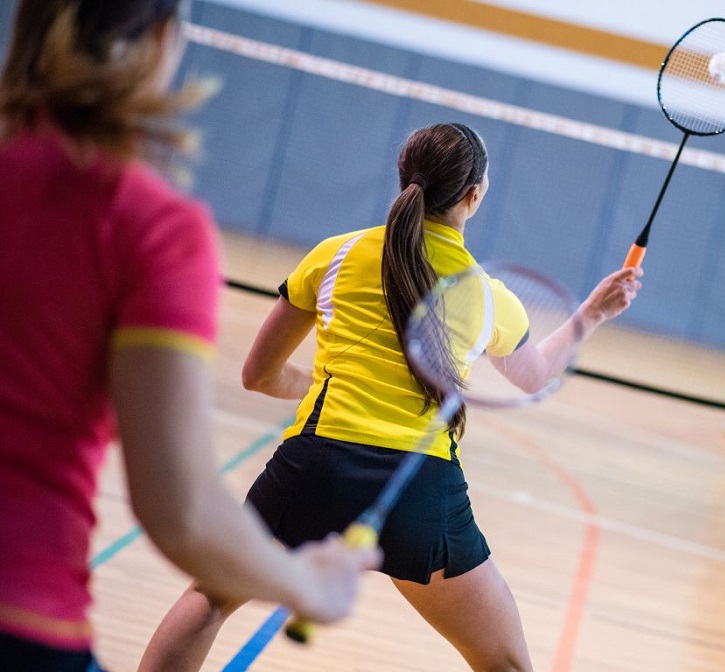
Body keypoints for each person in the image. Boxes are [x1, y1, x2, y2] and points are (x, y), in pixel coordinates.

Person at [137, 121, 642, 672]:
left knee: (209, 600)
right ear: (473, 196)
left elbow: (259, 375)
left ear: (406, 177)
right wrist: (591, 314)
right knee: (506, 665)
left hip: (314, 465)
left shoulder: (335, 254)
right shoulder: (487, 295)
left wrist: (318, 386)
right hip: (420, 490)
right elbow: (534, 374)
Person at [0, 2, 380, 670]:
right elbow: (180, 511)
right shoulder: (150, 228)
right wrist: (307, 583)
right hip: (23, 616)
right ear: (160, 40)